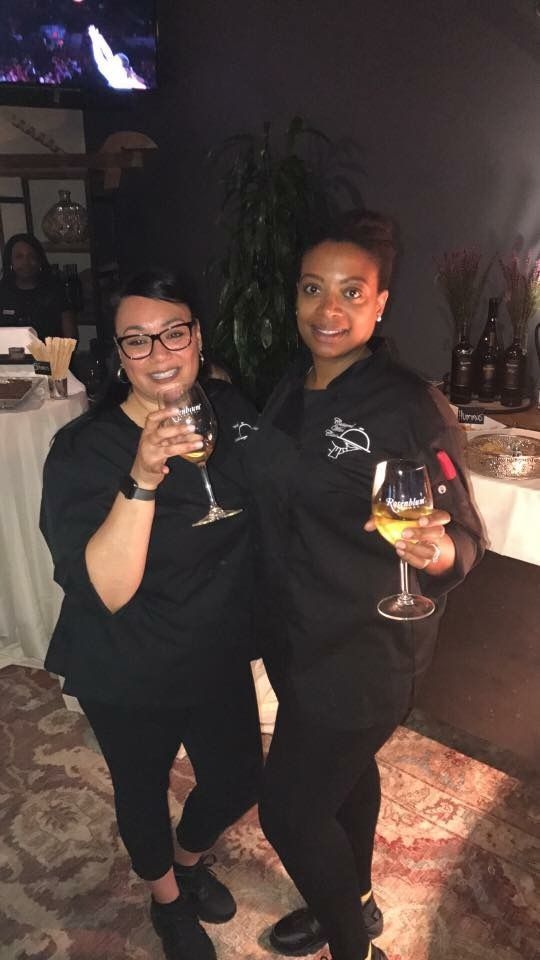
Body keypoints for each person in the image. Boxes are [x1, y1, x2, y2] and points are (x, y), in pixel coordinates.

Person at [246, 211, 485, 960]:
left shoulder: (410, 405)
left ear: (381, 305)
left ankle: (355, 950)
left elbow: (468, 537)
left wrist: (441, 551)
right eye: (314, 289)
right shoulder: (288, 383)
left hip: (366, 648)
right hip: (294, 633)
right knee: (343, 781)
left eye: (353, 291)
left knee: (287, 813)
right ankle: (357, 902)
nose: (330, 308)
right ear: (295, 298)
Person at [40, 271, 262, 960]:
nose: (159, 351)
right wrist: (141, 475)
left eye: (173, 332)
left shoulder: (226, 408)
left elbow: (279, 490)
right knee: (141, 788)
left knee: (236, 777)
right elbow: (105, 588)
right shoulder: (83, 452)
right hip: (126, 655)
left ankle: (191, 863)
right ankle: (167, 900)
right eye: (138, 340)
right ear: (119, 353)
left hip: (212, 643)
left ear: (196, 338)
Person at [0, 233, 77, 340]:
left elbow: (71, 337)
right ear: (10, 262)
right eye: (19, 257)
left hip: (50, 355)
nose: (26, 262)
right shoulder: (2, 293)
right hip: (9, 356)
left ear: (39, 260)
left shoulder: (55, 291)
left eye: (31, 256)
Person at [88, 24, 147, 90]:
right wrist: (96, 37)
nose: (113, 58)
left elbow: (103, 55)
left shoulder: (114, 72)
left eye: (115, 58)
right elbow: (104, 54)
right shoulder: (112, 72)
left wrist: (95, 37)